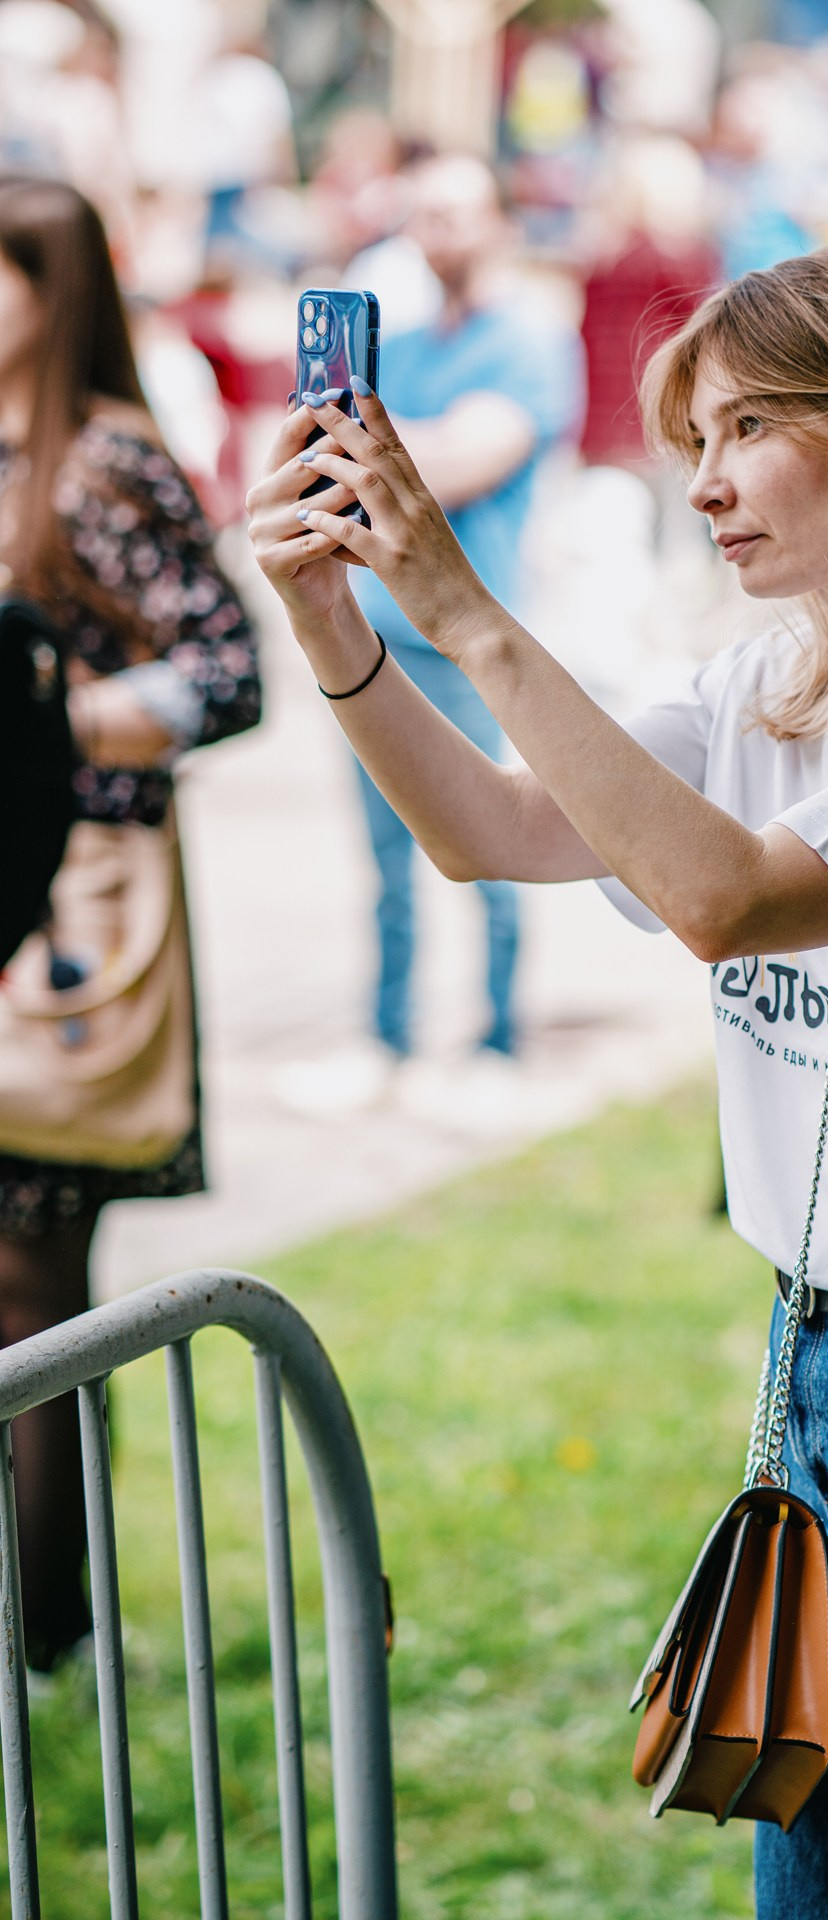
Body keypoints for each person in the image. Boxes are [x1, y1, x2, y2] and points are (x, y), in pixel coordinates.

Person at [248, 235, 828, 1918]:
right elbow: (491, 832)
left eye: (747, 430)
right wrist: (341, 628)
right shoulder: (775, 684)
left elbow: (720, 897)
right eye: (694, 445)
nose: (705, 488)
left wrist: (462, 596)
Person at [0, 174, 261, 1672]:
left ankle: (54, 1629)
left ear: (53, 292)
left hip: (72, 910)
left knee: (36, 1280)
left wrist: (47, 728)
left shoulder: (106, 463)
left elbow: (232, 670)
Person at [320, 153, 582, 1099]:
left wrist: (366, 437)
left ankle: (497, 1042)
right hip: (372, 634)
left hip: (475, 641)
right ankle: (386, 1039)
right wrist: (381, 440)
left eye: (457, 213)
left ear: (501, 223)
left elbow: (468, 460)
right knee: (385, 860)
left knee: (501, 844)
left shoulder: (531, 340)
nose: (437, 233)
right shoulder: (411, 347)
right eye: (420, 215)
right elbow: (347, 455)